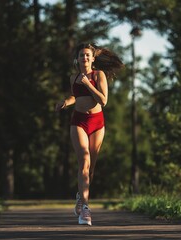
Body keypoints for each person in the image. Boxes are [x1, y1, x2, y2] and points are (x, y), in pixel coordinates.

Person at [55, 43, 123, 225]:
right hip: (78, 122)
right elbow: (75, 97)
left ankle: (80, 194)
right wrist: (65, 102)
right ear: (76, 59)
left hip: (97, 123)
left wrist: (88, 84)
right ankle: (85, 209)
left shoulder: (98, 75)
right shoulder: (73, 77)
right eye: (81, 55)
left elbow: (103, 100)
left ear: (93, 59)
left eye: (87, 55)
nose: (84, 58)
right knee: (84, 161)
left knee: (91, 167)